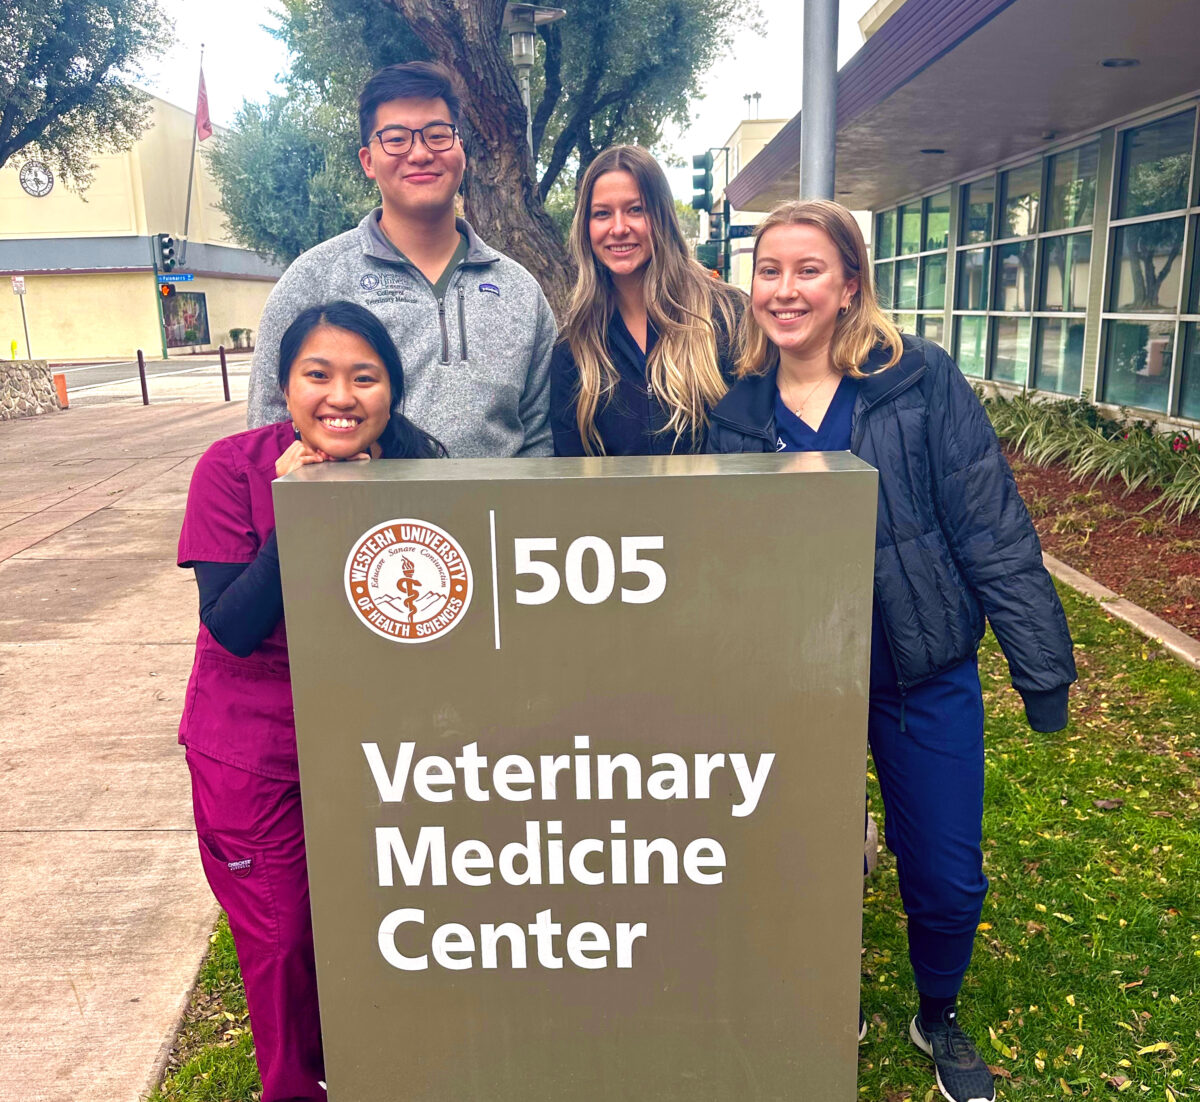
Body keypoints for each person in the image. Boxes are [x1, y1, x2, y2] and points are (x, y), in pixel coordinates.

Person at [708, 200, 1076, 1102]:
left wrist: (1042, 667)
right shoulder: (736, 409)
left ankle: (937, 1013)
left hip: (921, 670)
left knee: (947, 872)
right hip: (795, 686)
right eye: (769, 271)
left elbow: (989, 522)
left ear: (849, 286)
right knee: (782, 863)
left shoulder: (916, 382)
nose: (785, 290)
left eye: (808, 270)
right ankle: (809, 1000)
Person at [178, 301, 444, 1102]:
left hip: (379, 748)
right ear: (284, 388)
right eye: (317, 376)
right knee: (285, 939)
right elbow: (230, 626)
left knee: (389, 926)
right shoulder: (231, 468)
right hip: (257, 756)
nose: (341, 396)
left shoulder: (420, 469)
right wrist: (307, 511)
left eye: (364, 377)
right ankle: (296, 1089)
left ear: (391, 393)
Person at [246, 61, 556, 458]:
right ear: (368, 161)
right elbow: (267, 429)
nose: (421, 153)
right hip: (362, 518)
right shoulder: (313, 280)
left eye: (438, 135)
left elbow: (540, 436)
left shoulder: (520, 291)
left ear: (461, 150)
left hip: (497, 516)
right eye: (396, 139)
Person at [549, 144, 745, 456]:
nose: (618, 228)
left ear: (663, 215)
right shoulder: (574, 349)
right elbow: (572, 478)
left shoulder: (729, 317)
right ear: (586, 228)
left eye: (635, 209)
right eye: (602, 214)